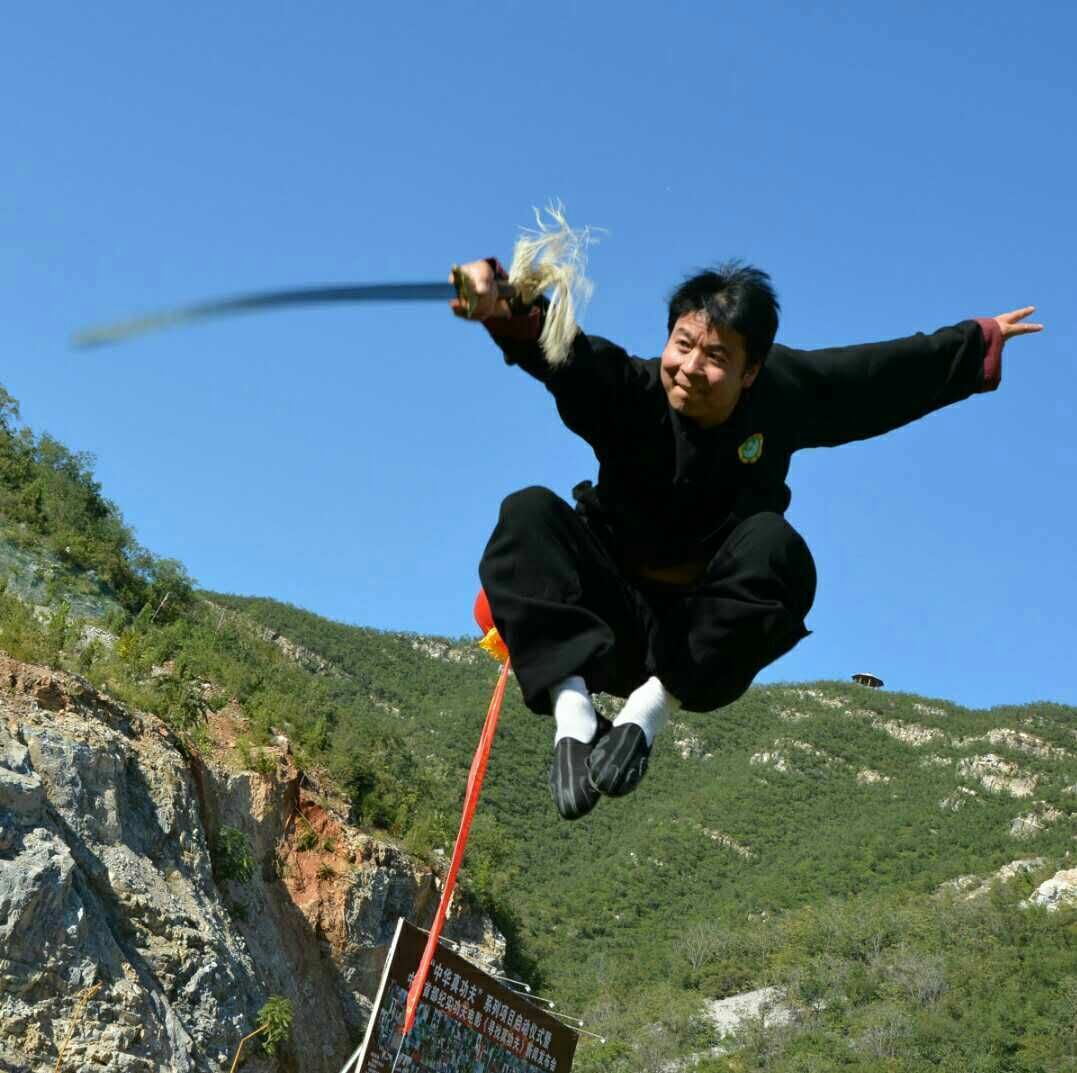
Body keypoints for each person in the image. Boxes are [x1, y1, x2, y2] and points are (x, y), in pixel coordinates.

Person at [450, 257, 1042, 820]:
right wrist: (503, 303)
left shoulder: (784, 393)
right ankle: (574, 715)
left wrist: (978, 338)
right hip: (605, 620)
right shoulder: (630, 393)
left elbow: (878, 376)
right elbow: (564, 352)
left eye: (714, 357)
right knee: (527, 512)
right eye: (681, 345)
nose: (688, 368)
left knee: (776, 547)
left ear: (750, 370)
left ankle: (646, 713)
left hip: (696, 638)